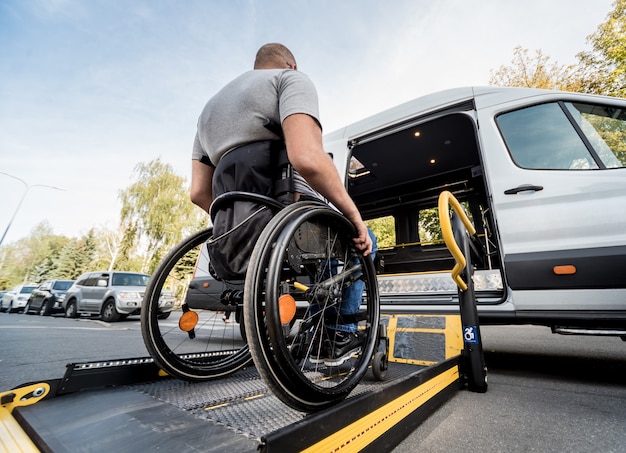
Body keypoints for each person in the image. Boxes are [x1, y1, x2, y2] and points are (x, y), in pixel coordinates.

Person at [190, 43, 375, 365]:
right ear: (291, 64)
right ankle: (334, 334)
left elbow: (198, 192)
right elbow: (307, 158)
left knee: (326, 252)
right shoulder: (290, 81)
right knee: (363, 245)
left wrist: (240, 218)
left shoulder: (209, 111)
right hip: (286, 210)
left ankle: (319, 329)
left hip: (238, 220)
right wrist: (353, 214)